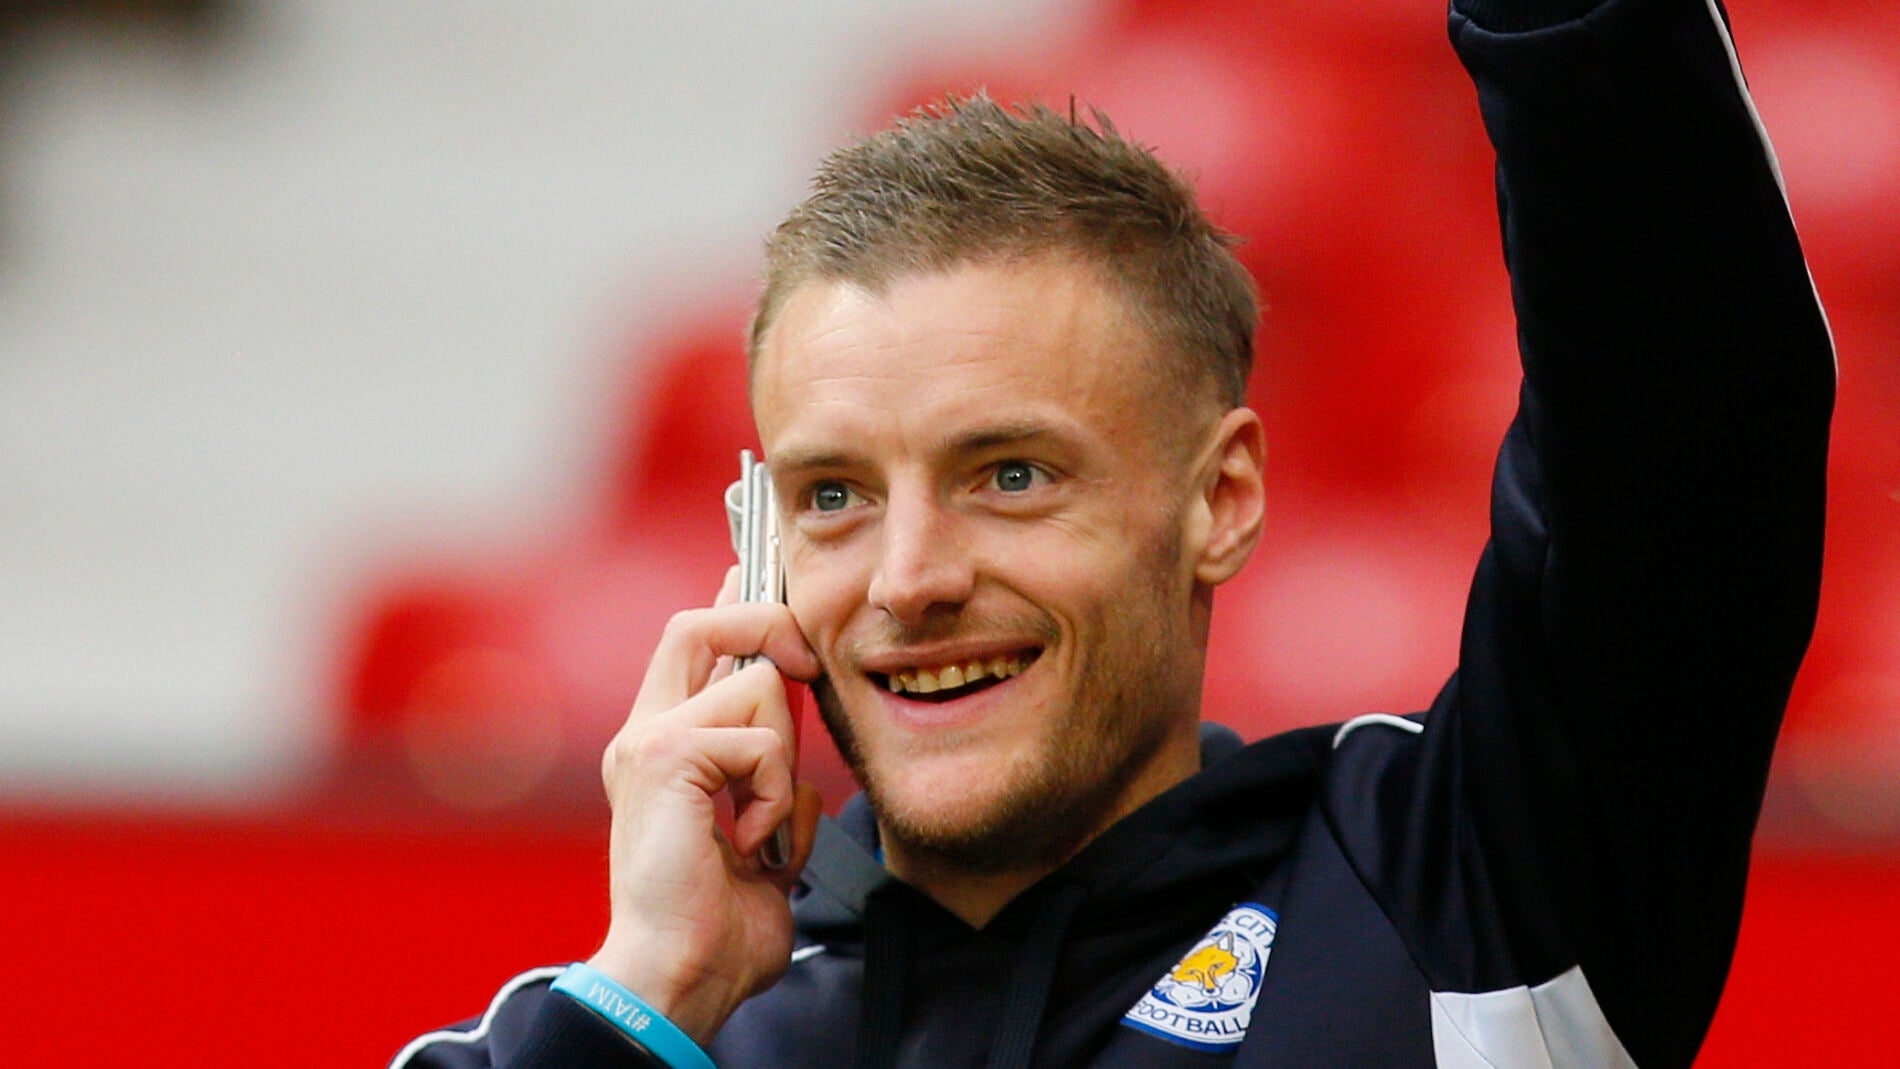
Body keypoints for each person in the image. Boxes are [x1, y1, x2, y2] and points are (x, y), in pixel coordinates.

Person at [392, 0, 1834, 1066]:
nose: (909, 578)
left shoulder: (1463, 894)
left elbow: (1691, 416)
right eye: (834, 495)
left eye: (1009, 474)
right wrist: (648, 989)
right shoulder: (665, 1030)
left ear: (1222, 499)